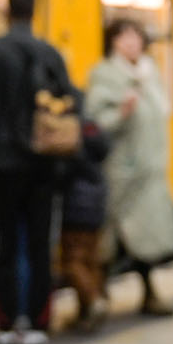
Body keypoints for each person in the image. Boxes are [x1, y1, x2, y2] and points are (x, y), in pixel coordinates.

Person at [0, 0, 76, 344]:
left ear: (7, 10)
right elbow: (70, 101)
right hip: (44, 163)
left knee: (5, 247)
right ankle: (36, 328)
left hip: (4, 163)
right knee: (38, 245)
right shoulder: (50, 52)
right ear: (34, 12)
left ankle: (5, 329)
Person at [86, 19, 173, 316]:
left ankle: (148, 293)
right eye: (123, 37)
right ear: (112, 42)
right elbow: (94, 123)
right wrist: (121, 114)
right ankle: (94, 297)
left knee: (146, 236)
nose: (130, 43)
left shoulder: (150, 73)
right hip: (122, 170)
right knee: (111, 237)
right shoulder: (104, 75)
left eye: (135, 36)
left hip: (150, 169)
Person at [56, 118, 112, 331]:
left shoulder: (68, 131)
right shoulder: (92, 128)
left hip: (76, 206)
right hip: (97, 204)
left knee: (71, 261)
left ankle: (93, 299)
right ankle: (85, 312)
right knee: (90, 260)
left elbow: (63, 170)